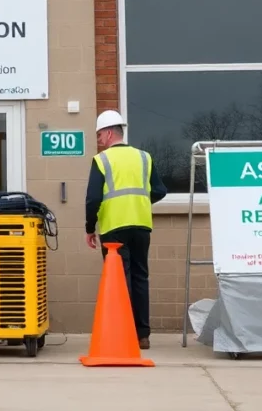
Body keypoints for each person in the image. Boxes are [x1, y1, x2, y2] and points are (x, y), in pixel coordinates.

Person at [83, 109, 166, 350]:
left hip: (113, 230)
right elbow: (160, 190)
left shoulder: (102, 160)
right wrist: (138, 202)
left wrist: (90, 228)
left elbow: (92, 199)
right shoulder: (144, 157)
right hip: (141, 226)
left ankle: (123, 332)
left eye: (99, 135)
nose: (98, 141)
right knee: (140, 278)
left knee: (119, 280)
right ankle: (143, 335)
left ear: (109, 134)